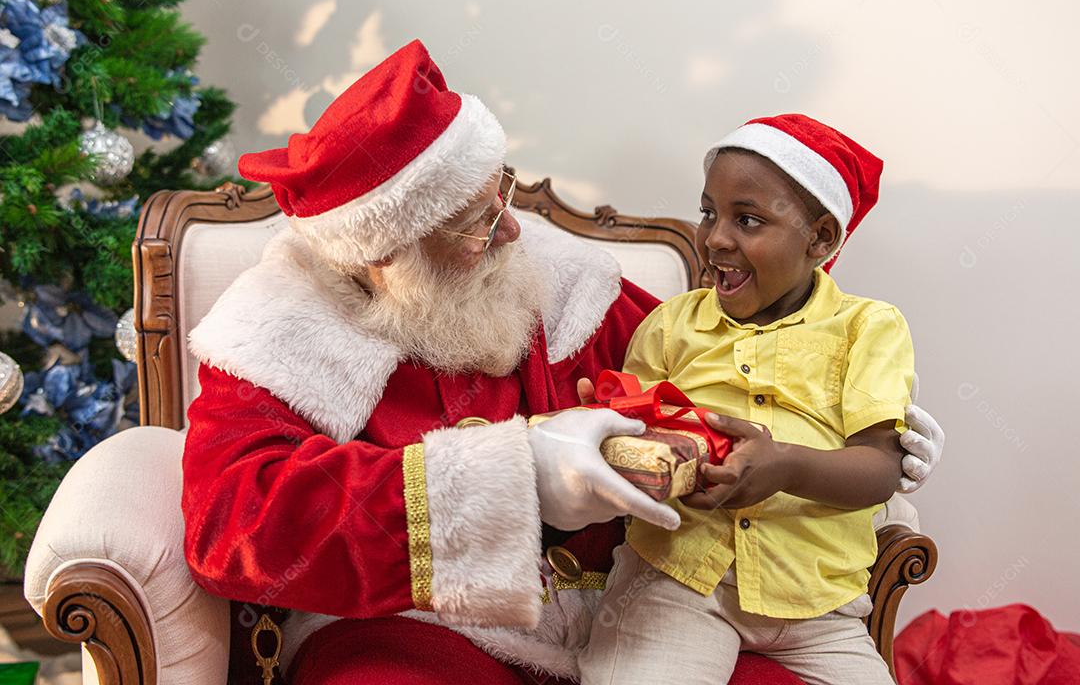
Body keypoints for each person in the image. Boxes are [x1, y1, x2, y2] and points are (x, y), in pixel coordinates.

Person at [181, 41, 943, 684]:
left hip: (638, 612)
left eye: (500, 195)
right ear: (388, 256)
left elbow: (718, 365)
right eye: (477, 223)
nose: (514, 232)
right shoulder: (280, 329)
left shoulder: (555, 278)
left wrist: (859, 429)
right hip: (420, 624)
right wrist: (519, 479)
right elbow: (234, 526)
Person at [579, 114, 922, 685]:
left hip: (822, 601)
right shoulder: (670, 326)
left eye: (748, 219)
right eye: (710, 212)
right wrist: (607, 430)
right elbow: (633, 432)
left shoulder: (870, 327)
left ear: (820, 238)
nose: (715, 238)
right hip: (676, 580)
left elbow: (881, 467)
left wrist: (784, 464)